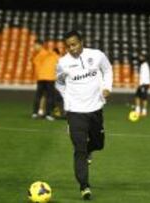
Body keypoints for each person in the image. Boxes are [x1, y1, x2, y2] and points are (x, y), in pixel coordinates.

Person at [56, 30, 113, 200]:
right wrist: (68, 100)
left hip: (95, 109)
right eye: (68, 46)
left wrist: (107, 87)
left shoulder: (97, 55)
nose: (72, 49)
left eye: (74, 44)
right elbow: (59, 83)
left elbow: (108, 70)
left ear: (82, 41)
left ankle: (91, 150)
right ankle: (84, 186)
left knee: (98, 143)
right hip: (75, 113)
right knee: (79, 149)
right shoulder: (62, 63)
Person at [31, 42, 60, 121]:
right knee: (49, 97)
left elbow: (35, 63)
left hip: (41, 78)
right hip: (50, 78)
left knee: (38, 96)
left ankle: (35, 113)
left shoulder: (41, 54)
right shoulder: (56, 56)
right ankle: (48, 114)